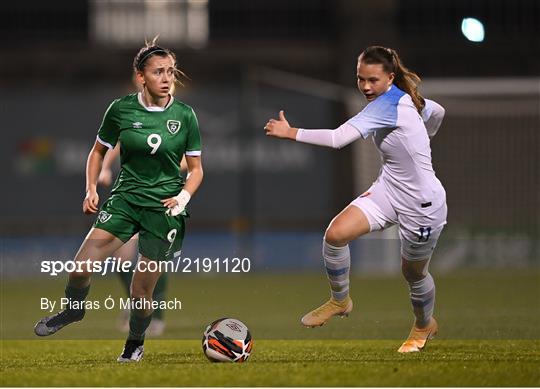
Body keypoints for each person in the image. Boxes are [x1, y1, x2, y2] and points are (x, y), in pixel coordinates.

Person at [264, 46, 446, 353]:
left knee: (413, 273)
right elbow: (436, 111)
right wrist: (421, 137)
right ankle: (340, 300)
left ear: (390, 77)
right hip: (389, 189)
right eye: (360, 78)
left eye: (373, 80)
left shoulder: (387, 104)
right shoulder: (406, 99)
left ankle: (424, 325)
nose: (365, 87)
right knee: (335, 235)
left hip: (423, 204)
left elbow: (337, 139)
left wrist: (290, 131)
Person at [34, 38, 204, 362]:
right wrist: (91, 188)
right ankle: (73, 310)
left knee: (142, 292)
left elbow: (196, 169)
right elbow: (98, 151)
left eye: (171, 71)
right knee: (80, 268)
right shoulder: (121, 109)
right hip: (125, 201)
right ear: (141, 76)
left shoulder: (185, 115)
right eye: (158, 72)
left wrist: (183, 196)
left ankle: (134, 344)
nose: (167, 77)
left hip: (164, 210)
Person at [98, 146, 188, 336]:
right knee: (121, 259)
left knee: (153, 258)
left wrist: (159, 168)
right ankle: (135, 302)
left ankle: (157, 316)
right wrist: (105, 167)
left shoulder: (178, 122)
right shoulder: (136, 120)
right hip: (131, 199)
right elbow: (117, 143)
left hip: (160, 200)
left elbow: (190, 161)